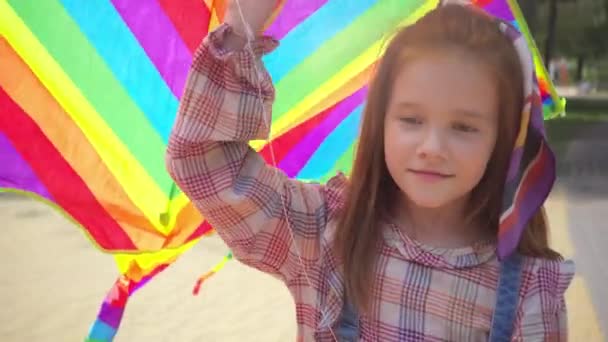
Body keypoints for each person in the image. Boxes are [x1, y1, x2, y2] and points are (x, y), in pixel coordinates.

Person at [166, 1, 575, 340]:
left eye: (464, 127)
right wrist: (242, 25)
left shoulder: (528, 294)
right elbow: (202, 161)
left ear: (505, 141)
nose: (432, 148)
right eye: (411, 119)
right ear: (379, 124)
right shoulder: (323, 234)